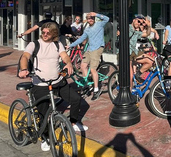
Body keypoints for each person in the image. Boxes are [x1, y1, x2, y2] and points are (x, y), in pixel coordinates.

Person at [17, 22, 87, 152]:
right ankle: (45, 138)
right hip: (40, 84)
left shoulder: (57, 44)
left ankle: (73, 122)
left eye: (48, 32)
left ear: (54, 33)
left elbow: (65, 56)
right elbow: (25, 56)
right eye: (43, 32)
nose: (45, 34)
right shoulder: (34, 44)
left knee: (76, 99)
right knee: (43, 113)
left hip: (57, 81)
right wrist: (24, 69)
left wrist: (69, 64)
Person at [68, 12, 109, 100]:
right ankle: (88, 85)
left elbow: (107, 18)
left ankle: (96, 89)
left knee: (93, 69)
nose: (90, 20)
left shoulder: (99, 24)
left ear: (94, 18)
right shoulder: (87, 29)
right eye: (89, 18)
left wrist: (96, 14)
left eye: (91, 18)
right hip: (89, 49)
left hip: (97, 48)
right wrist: (70, 46)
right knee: (83, 66)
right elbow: (82, 39)